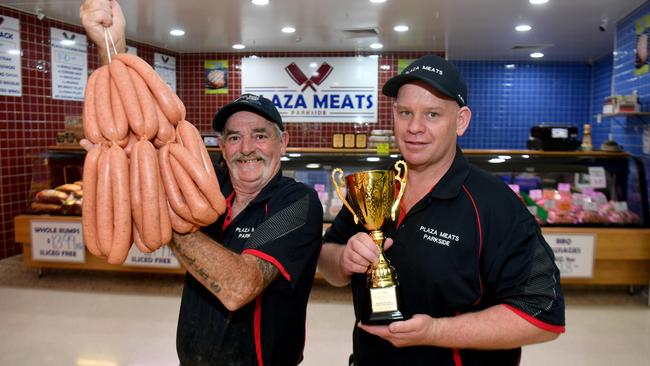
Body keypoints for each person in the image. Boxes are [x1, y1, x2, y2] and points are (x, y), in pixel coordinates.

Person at [80, 2, 324, 365]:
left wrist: (160, 212)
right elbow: (137, 129)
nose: (247, 149)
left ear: (282, 143)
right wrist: (111, 45)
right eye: (234, 138)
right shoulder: (209, 181)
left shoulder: (297, 204)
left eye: (260, 136)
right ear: (221, 146)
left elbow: (241, 287)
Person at [318, 55, 565, 365]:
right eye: (405, 113)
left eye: (432, 114)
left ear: (461, 121)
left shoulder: (496, 204)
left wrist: (435, 331)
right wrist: (342, 260)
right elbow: (326, 258)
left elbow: (542, 312)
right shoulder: (375, 186)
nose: (414, 128)